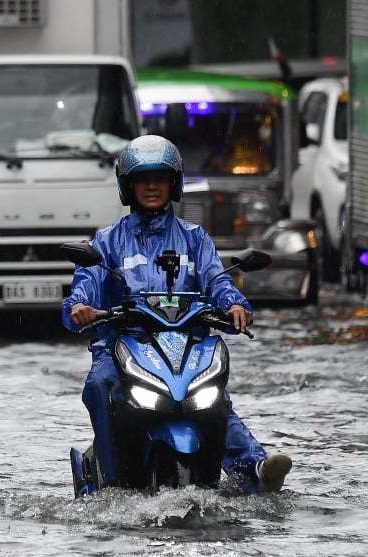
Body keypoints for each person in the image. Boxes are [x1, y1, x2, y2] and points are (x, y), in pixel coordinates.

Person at [61, 135, 291, 494]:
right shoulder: (107, 241)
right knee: (99, 385)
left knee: (214, 395)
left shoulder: (196, 238)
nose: (152, 186)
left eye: (160, 177)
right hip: (124, 345)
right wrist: (80, 307)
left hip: (187, 343)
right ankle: (110, 485)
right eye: (142, 178)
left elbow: (218, 280)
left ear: (174, 183)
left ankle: (255, 469)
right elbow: (86, 283)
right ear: (128, 185)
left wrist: (235, 306)